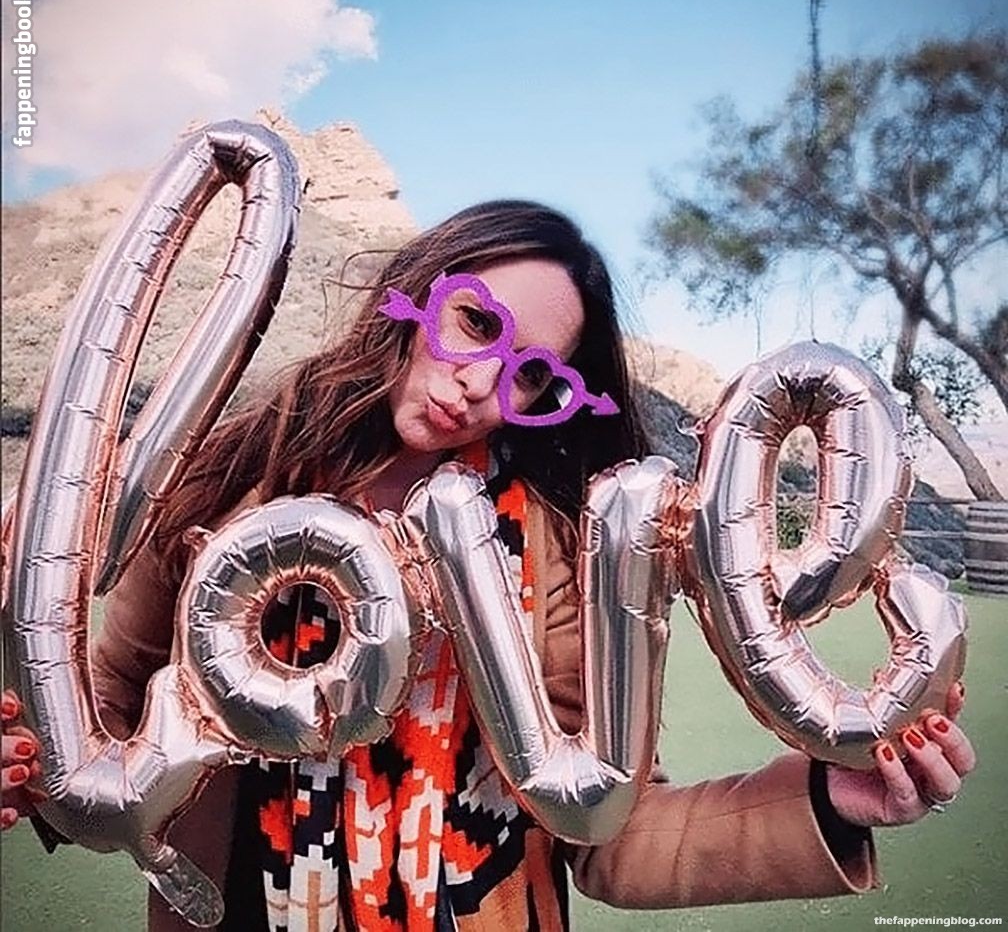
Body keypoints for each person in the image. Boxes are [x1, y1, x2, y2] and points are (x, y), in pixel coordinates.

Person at [2, 201, 976, 931]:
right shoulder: (220, 483)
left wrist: (827, 801)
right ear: (419, 292)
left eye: (531, 375)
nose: (479, 383)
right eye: (475, 323)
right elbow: (101, 719)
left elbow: (607, 828)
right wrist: (27, 766)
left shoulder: (564, 549)